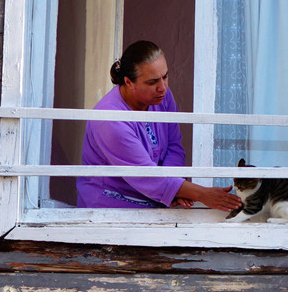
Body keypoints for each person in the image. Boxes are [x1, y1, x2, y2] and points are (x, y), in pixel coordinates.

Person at [76, 40, 241, 211]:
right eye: (152, 82)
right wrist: (201, 194)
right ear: (128, 82)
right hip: (108, 211)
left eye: (165, 77)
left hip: (154, 205)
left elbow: (174, 146)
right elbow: (145, 176)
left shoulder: (162, 97)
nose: (162, 87)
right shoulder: (110, 120)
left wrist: (175, 189)